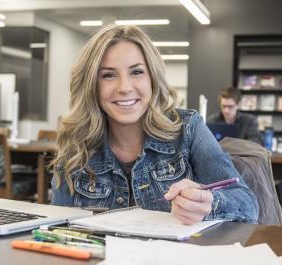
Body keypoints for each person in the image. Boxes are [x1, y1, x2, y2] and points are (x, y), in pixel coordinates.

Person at [49, 24, 258, 225]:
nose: (124, 87)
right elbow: (59, 227)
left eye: (137, 72)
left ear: (152, 78)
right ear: (91, 85)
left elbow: (248, 205)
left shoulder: (188, 128)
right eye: (109, 75)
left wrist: (210, 203)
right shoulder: (77, 144)